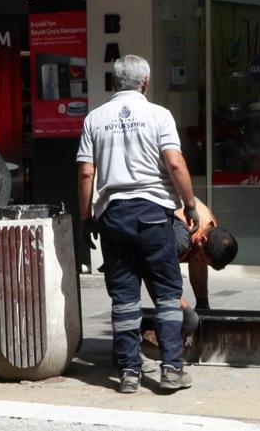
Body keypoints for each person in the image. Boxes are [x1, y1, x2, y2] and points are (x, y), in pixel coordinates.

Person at [77, 55, 199, 394]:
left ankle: (130, 373)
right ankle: (172, 369)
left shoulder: (94, 119)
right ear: (145, 82)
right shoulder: (159, 115)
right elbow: (174, 164)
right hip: (153, 217)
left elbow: (87, 172)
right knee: (166, 295)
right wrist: (190, 205)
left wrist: (86, 219)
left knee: (125, 299)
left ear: (114, 82)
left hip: (113, 218)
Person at [172, 198, 238, 311]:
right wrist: (184, 310)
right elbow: (154, 272)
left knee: (198, 257)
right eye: (203, 260)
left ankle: (202, 305)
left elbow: (199, 262)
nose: (202, 263)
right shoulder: (180, 238)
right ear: (202, 239)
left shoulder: (211, 226)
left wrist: (203, 306)